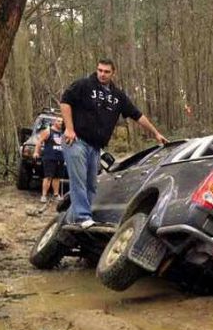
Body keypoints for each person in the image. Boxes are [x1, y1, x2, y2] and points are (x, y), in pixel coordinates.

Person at [60, 59, 167, 228]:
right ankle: (82, 217)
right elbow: (65, 101)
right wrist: (69, 128)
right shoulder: (84, 85)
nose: (102, 74)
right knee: (78, 179)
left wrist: (156, 133)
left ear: (113, 73)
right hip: (76, 140)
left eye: (106, 71)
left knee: (92, 185)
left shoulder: (117, 96)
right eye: (100, 70)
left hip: (95, 147)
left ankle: (69, 220)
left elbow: (137, 115)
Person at [33, 118, 66, 203]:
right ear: (54, 122)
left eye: (62, 122)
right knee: (48, 177)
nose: (60, 123)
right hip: (49, 158)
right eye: (58, 121)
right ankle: (44, 195)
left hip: (60, 158)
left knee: (57, 178)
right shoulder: (48, 131)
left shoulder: (63, 132)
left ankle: (56, 195)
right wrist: (36, 152)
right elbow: (39, 142)